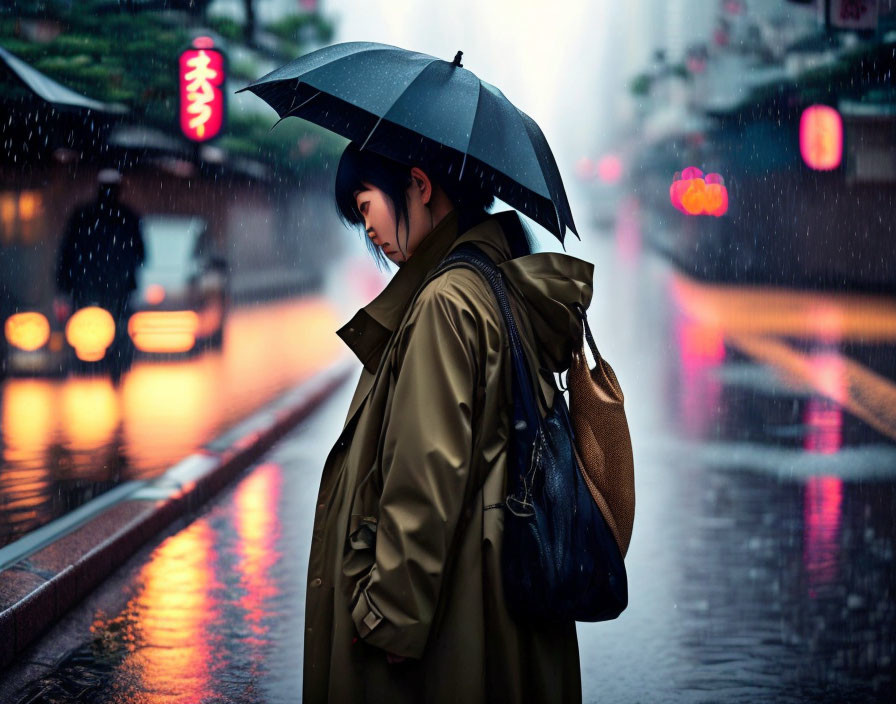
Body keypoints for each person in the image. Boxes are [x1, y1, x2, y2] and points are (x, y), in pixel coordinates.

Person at [304, 141, 595, 703]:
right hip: (498, 597)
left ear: (419, 184)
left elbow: (425, 474)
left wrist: (388, 614)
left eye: (366, 206)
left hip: (456, 617)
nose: (368, 231)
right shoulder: (493, 279)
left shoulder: (444, 301)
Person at [55, 168, 145, 378]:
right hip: (113, 287)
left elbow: (67, 252)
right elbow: (140, 254)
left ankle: (92, 365)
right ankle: (116, 365)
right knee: (119, 328)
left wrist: (65, 283)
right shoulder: (126, 217)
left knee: (100, 327)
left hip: (87, 285)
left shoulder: (84, 215)